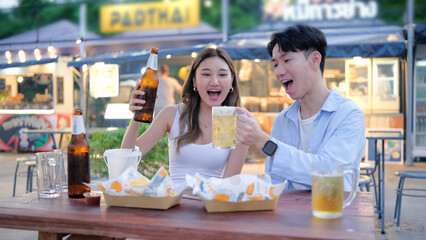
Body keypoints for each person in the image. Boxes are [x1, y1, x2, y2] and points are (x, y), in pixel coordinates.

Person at [235, 24, 366, 191]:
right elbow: (274, 181)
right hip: (289, 215)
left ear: (314, 59)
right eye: (275, 64)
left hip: (333, 213)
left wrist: (263, 141)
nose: (279, 72)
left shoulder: (348, 114)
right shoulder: (282, 120)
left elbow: (330, 172)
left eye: (287, 60)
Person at [121, 47, 249, 185]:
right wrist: (136, 115)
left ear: (231, 81)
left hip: (211, 204)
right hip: (173, 203)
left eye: (222, 75)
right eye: (206, 74)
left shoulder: (232, 122)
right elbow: (126, 158)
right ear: (194, 81)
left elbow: (228, 186)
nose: (214, 81)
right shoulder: (173, 114)